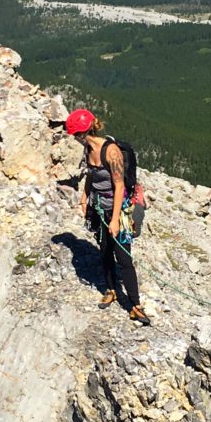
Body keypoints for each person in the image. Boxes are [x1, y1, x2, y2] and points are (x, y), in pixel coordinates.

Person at [66, 108, 151, 325]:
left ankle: (135, 305)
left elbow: (120, 185)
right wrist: (84, 198)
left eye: (75, 135)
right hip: (98, 207)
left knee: (124, 258)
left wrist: (114, 220)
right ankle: (111, 289)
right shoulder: (88, 149)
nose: (74, 139)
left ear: (81, 133)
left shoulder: (110, 151)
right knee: (104, 252)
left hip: (116, 210)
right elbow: (90, 176)